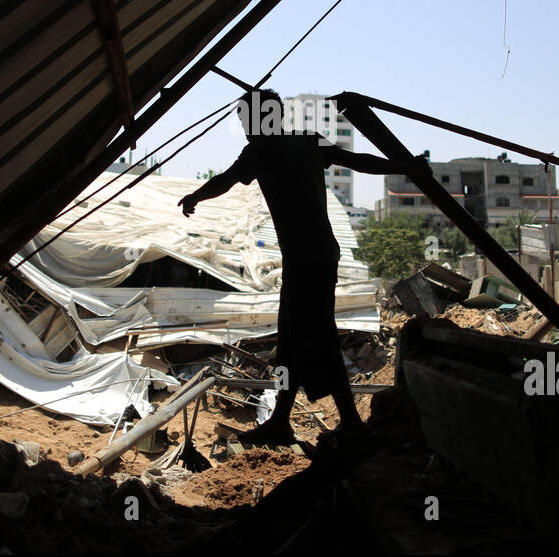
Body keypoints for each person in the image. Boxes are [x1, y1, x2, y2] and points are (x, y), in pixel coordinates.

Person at [177, 90, 429, 444]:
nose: (245, 128)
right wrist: (403, 167)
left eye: (246, 120)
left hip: (308, 260)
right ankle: (281, 420)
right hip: (317, 256)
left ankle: (351, 422)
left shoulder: (261, 152)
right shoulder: (306, 142)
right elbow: (359, 161)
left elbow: (225, 180)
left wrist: (195, 197)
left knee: (319, 338)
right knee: (291, 342)